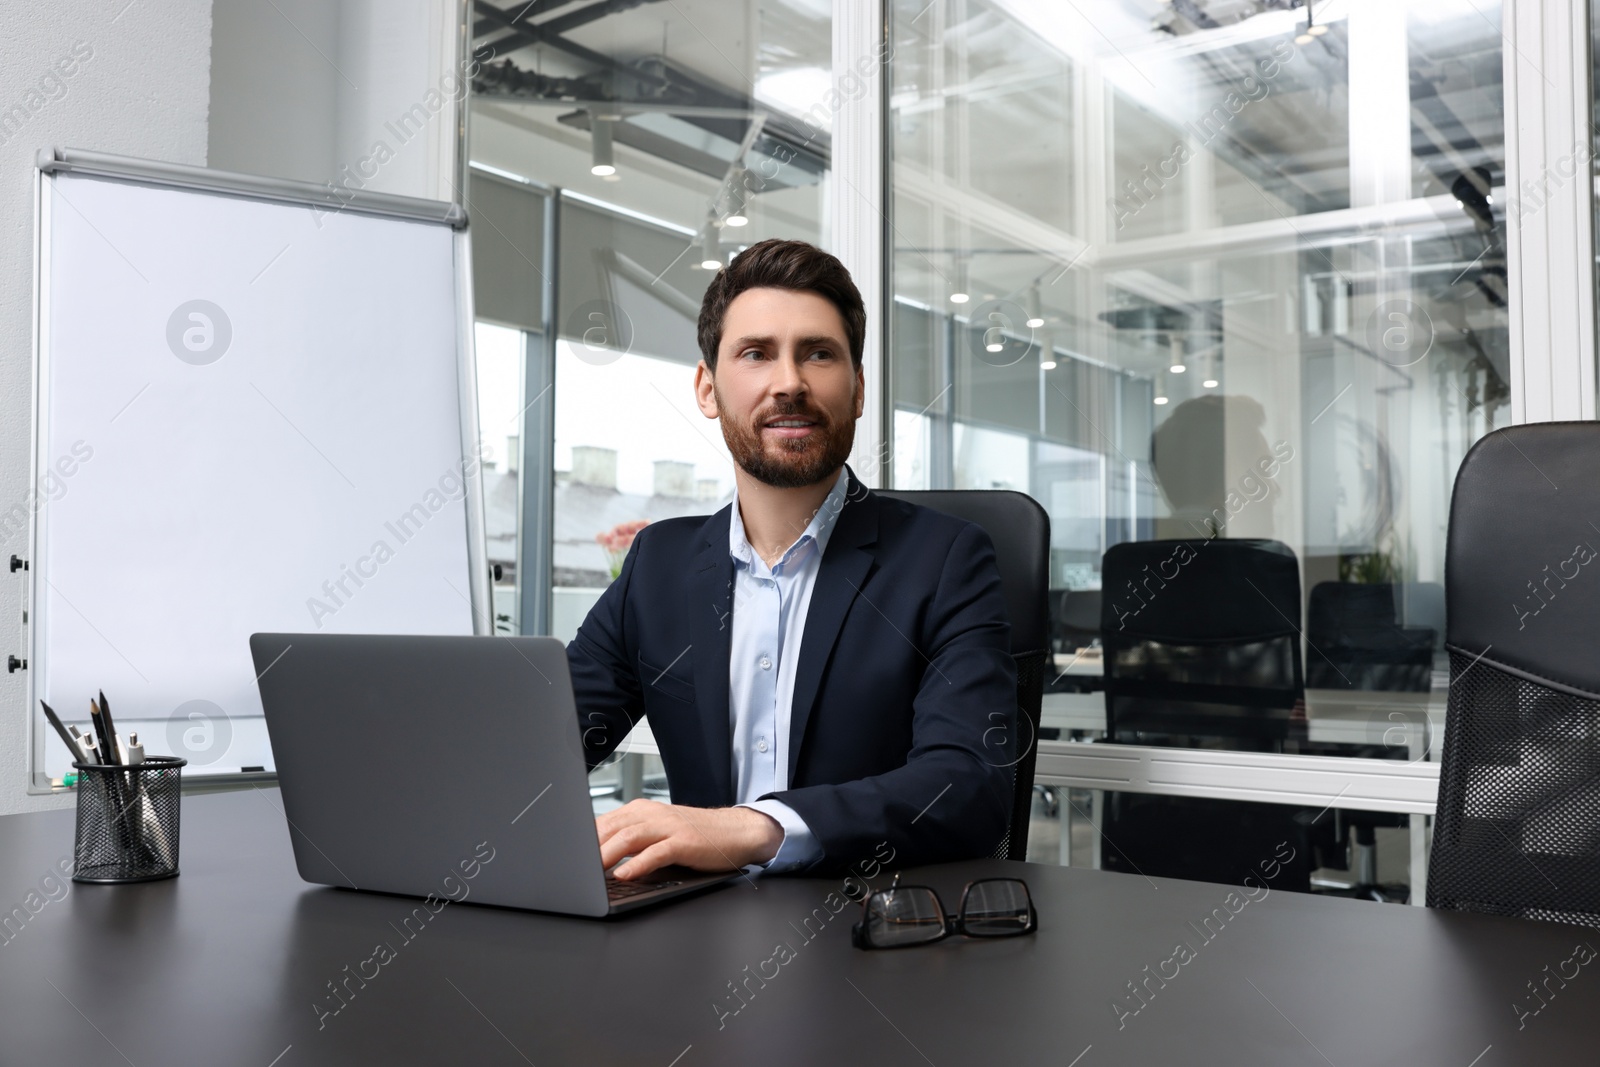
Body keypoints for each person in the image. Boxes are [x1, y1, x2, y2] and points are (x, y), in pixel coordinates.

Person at [567, 238, 1015, 878]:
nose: (789, 383)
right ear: (707, 387)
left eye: (819, 354)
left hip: (866, 937)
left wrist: (753, 827)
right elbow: (540, 749)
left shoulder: (946, 560)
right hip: (690, 933)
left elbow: (969, 786)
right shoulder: (657, 564)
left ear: (858, 389)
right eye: (755, 353)